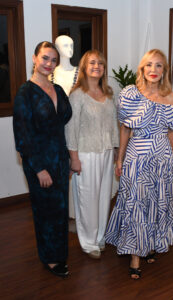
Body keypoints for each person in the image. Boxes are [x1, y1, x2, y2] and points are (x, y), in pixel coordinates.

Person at [105, 49, 173, 279]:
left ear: (164, 70)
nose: (153, 70)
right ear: (142, 68)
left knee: (157, 203)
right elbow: (125, 129)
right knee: (137, 204)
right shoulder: (131, 94)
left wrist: (170, 158)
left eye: (159, 65)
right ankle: (135, 255)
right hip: (137, 157)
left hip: (162, 159)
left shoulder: (171, 97)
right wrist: (119, 159)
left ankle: (150, 244)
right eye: (149, 65)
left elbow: (171, 132)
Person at [13, 41, 72, 277]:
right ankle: (50, 258)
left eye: (53, 60)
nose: (49, 64)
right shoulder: (24, 93)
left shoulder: (57, 89)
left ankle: (59, 253)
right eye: (45, 58)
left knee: (60, 210)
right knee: (45, 211)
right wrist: (39, 169)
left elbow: (64, 119)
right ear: (35, 58)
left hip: (60, 157)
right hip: (39, 162)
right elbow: (22, 137)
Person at [65, 50, 119, 259]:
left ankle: (100, 237)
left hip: (106, 153)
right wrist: (74, 158)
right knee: (87, 200)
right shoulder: (77, 95)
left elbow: (114, 125)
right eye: (92, 63)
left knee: (103, 197)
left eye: (100, 63)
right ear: (84, 67)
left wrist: (115, 149)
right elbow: (71, 129)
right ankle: (88, 243)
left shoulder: (108, 93)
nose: (97, 66)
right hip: (85, 154)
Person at [51, 35, 79, 219]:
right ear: (57, 48)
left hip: (78, 127)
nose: (69, 48)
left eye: (72, 44)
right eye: (64, 45)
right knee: (61, 169)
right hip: (56, 130)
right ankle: (63, 212)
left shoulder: (80, 72)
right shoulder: (50, 74)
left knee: (76, 171)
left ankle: (77, 213)